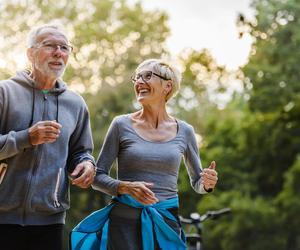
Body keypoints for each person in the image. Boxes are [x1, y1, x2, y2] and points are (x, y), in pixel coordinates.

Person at [71, 59, 218, 250]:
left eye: (148, 76)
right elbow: (97, 177)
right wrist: (125, 187)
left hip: (166, 223)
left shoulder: (185, 131)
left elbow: (197, 182)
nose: (139, 82)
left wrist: (207, 184)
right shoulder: (120, 125)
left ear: (167, 86)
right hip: (124, 225)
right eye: (137, 77)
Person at [0, 24, 96, 250]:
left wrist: (86, 164)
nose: (58, 52)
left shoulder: (75, 103)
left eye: (65, 47)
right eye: (50, 45)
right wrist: (26, 138)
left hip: (49, 220)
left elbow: (81, 151)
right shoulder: (5, 93)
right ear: (30, 53)